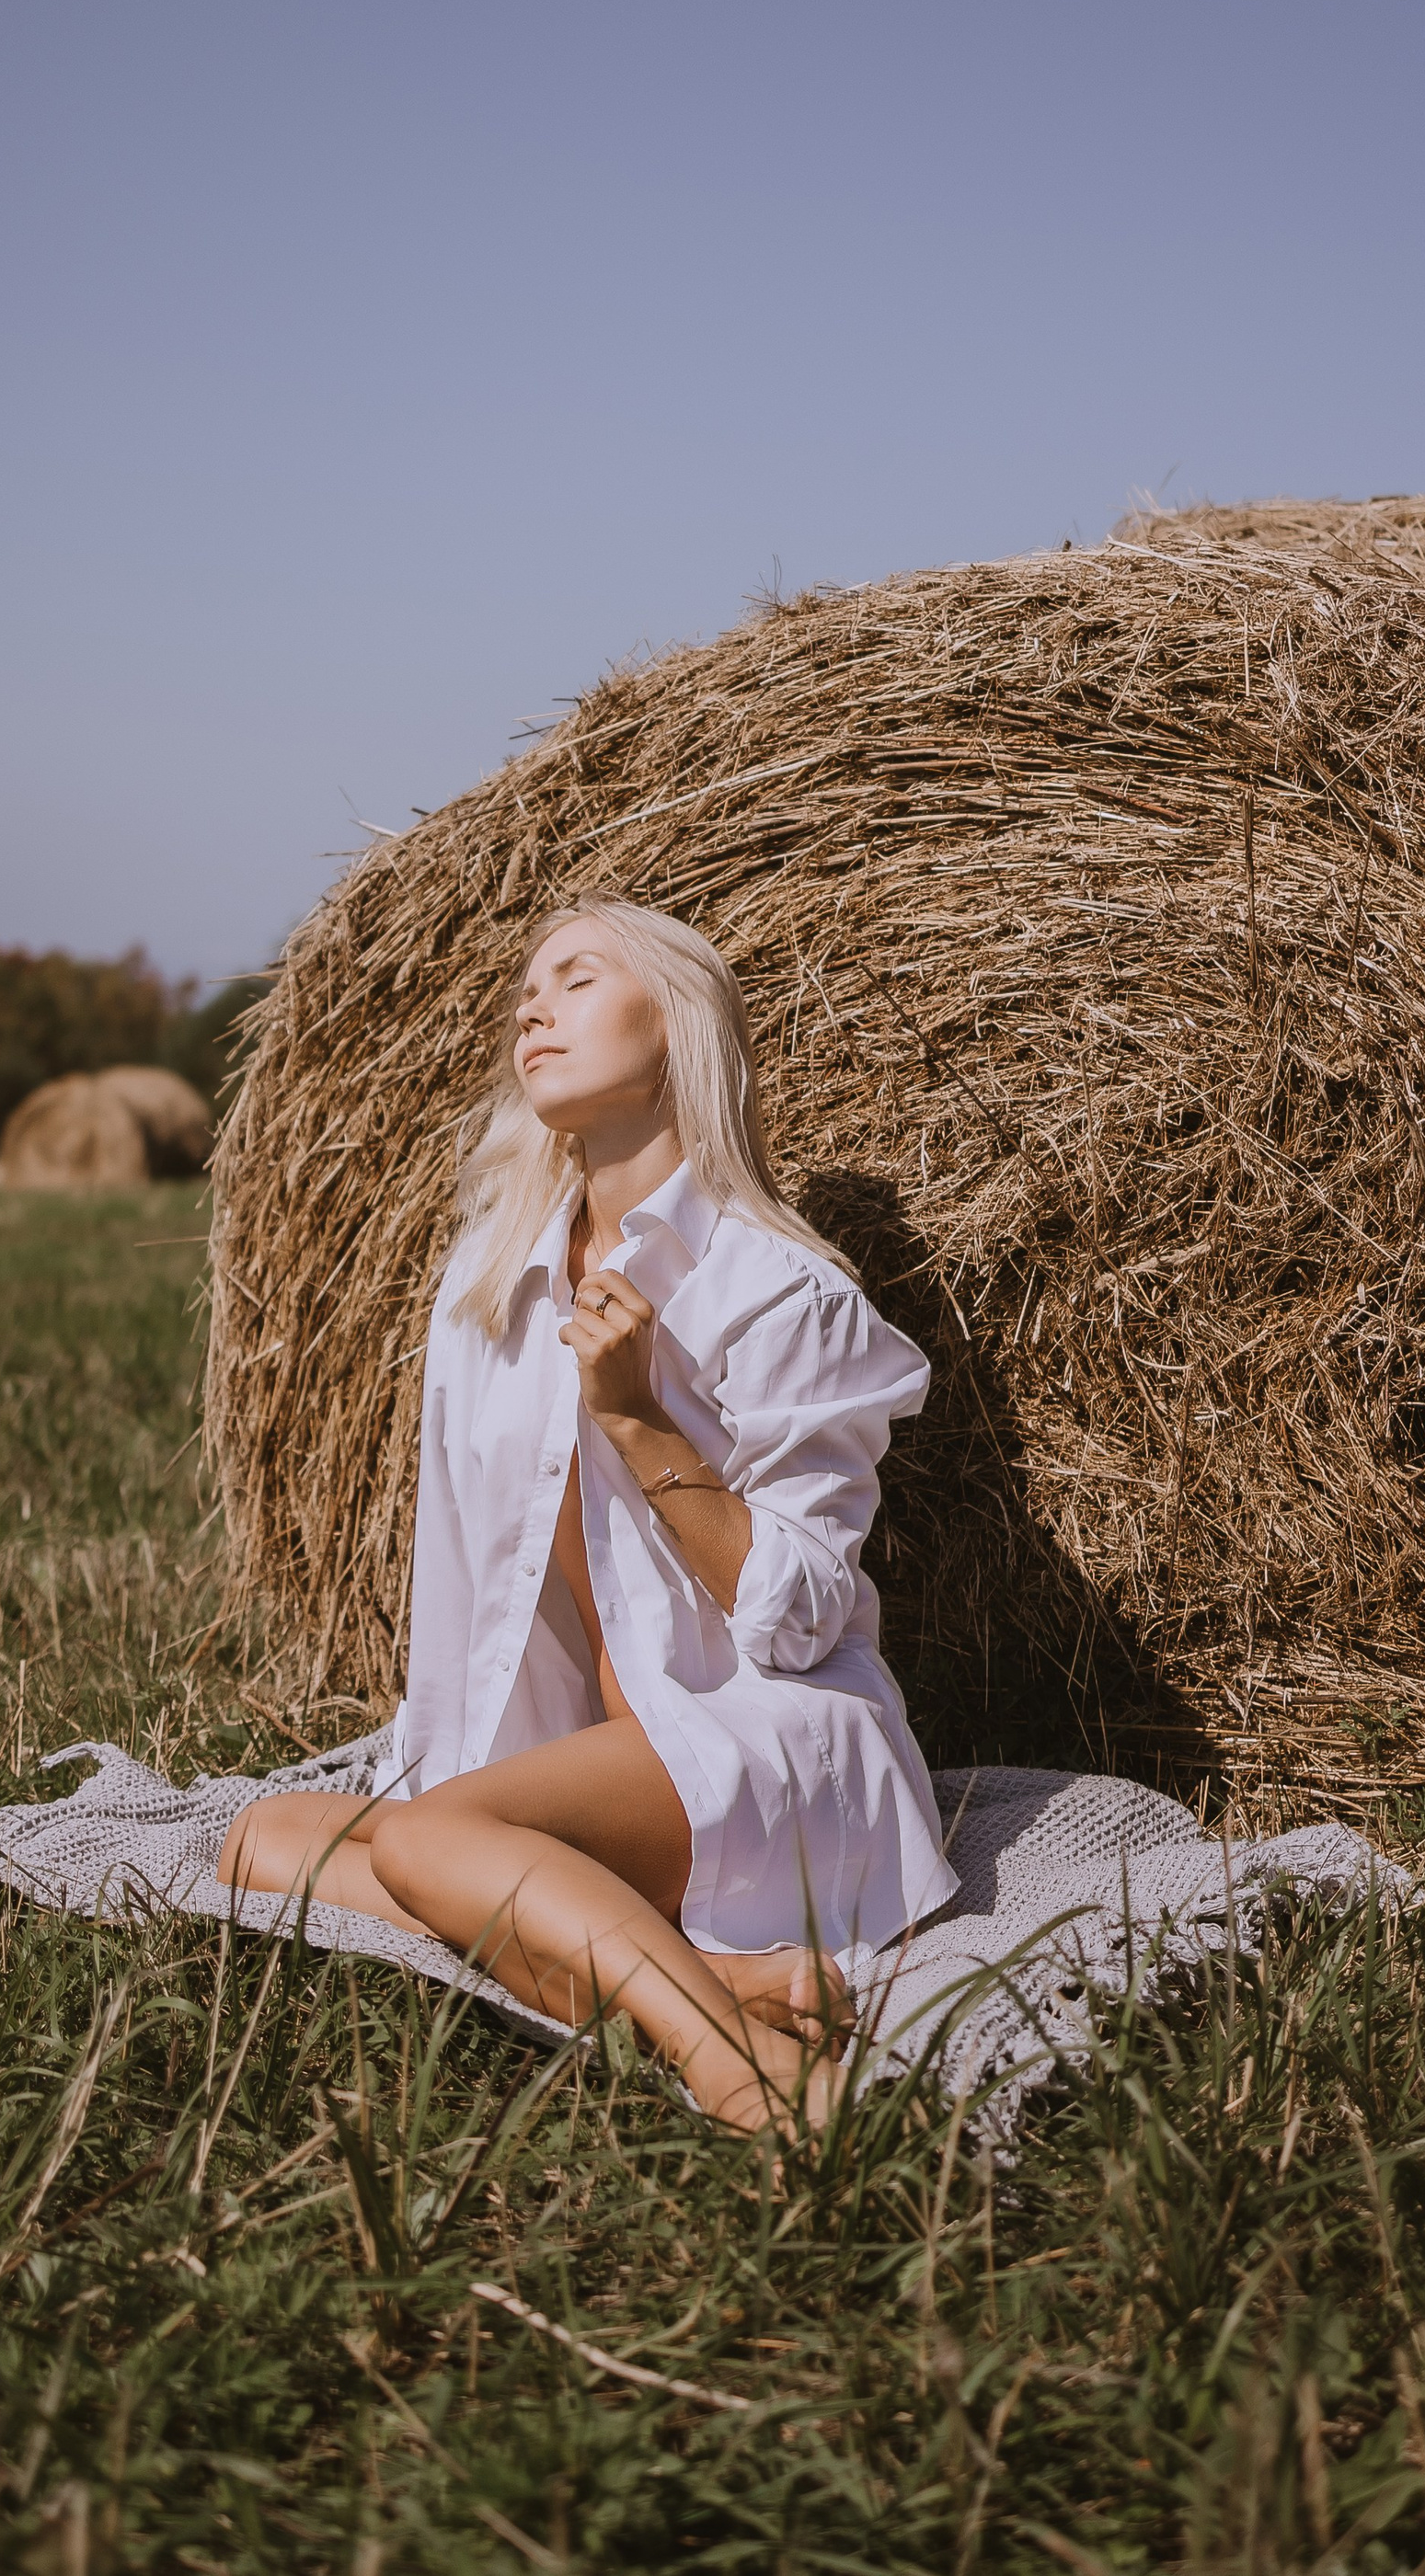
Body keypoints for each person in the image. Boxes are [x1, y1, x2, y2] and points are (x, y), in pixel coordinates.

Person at [217, 899, 958, 2129]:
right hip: (605, 1756)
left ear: (674, 1028)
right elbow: (465, 1577)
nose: (532, 1002)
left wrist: (637, 1421)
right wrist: (453, 1765)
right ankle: (717, 1974)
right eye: (527, 983)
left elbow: (804, 1619)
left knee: (422, 1849)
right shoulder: (492, 1278)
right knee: (267, 1841)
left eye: (577, 976)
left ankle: (733, 2061)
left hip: (761, 1735)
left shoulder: (778, 1291)